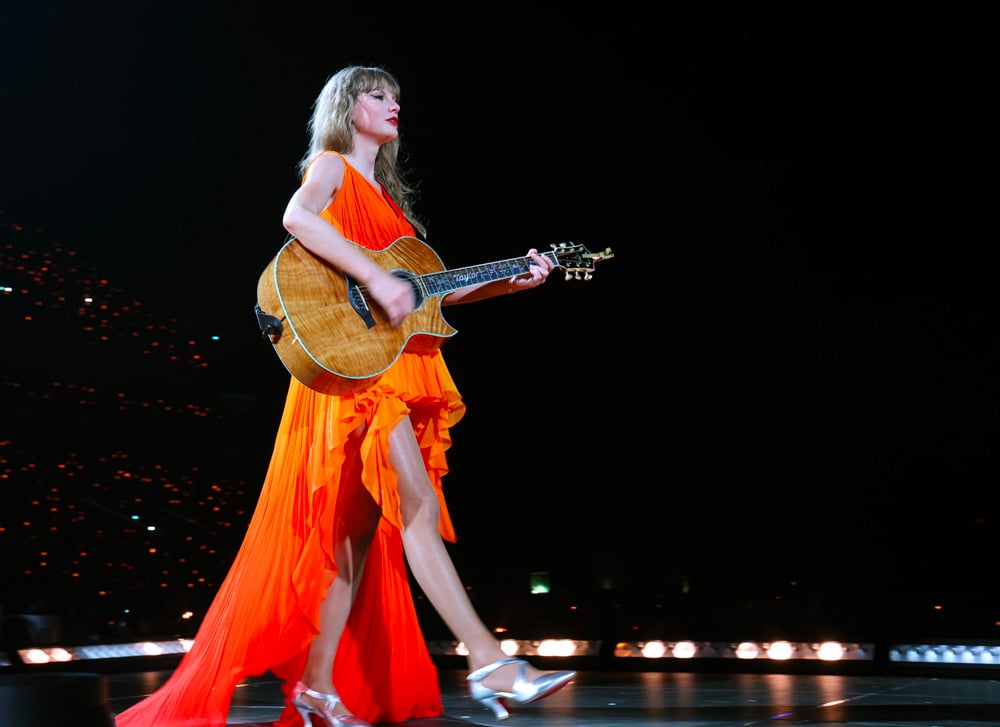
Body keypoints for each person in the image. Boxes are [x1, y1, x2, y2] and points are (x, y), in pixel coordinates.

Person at [115, 65, 575, 727]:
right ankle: (490, 660)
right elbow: (297, 217)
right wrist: (371, 274)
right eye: (377, 94)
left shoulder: (395, 210)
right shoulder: (330, 166)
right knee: (414, 508)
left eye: (397, 98)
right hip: (356, 379)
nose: (393, 106)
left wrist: (513, 281)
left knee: (350, 546)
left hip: (387, 366)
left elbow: (426, 295)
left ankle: (317, 691)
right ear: (346, 106)